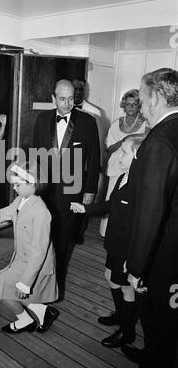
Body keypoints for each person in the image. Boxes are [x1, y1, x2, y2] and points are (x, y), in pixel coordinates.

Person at [108, 68, 178, 368]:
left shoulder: (159, 141)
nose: (139, 100)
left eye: (142, 93)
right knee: (164, 327)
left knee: (157, 323)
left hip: (160, 257)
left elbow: (150, 210)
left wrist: (136, 266)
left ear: (156, 96)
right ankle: (152, 361)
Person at [71, 134, 146, 348]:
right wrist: (85, 209)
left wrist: (132, 258)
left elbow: (140, 226)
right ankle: (121, 315)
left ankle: (127, 330)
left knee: (125, 287)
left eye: (124, 152)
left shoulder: (140, 186)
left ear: (137, 156)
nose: (119, 155)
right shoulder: (124, 176)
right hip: (115, 241)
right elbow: (111, 204)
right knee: (110, 277)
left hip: (126, 247)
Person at [33, 79, 100, 292]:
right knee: (43, 232)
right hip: (44, 188)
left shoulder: (88, 122)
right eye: (62, 99)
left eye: (71, 98)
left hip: (73, 188)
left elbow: (95, 157)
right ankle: (39, 272)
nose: (67, 103)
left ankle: (56, 278)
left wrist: (90, 190)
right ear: (53, 98)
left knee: (63, 235)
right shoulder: (42, 119)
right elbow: (35, 154)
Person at [0, 161, 59, 334]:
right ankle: (40, 312)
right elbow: (0, 215)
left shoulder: (41, 212)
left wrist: (25, 283)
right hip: (21, 259)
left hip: (33, 263)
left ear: (32, 183)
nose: (14, 188)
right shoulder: (20, 201)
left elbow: (39, 251)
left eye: (17, 184)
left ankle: (26, 319)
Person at [100, 89, 149, 237]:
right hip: (116, 166)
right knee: (111, 197)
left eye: (134, 104)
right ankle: (105, 231)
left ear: (139, 106)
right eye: (128, 104)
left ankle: (124, 232)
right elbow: (109, 146)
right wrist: (124, 141)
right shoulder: (116, 124)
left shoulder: (145, 124)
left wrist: (128, 142)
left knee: (129, 200)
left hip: (133, 167)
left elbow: (145, 143)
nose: (131, 107)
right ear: (123, 105)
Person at [72, 78, 103, 244]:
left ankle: (78, 232)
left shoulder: (94, 112)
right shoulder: (62, 109)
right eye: (74, 89)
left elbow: (97, 145)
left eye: (80, 89)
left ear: (86, 91)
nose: (77, 92)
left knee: (82, 200)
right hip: (64, 166)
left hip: (83, 167)